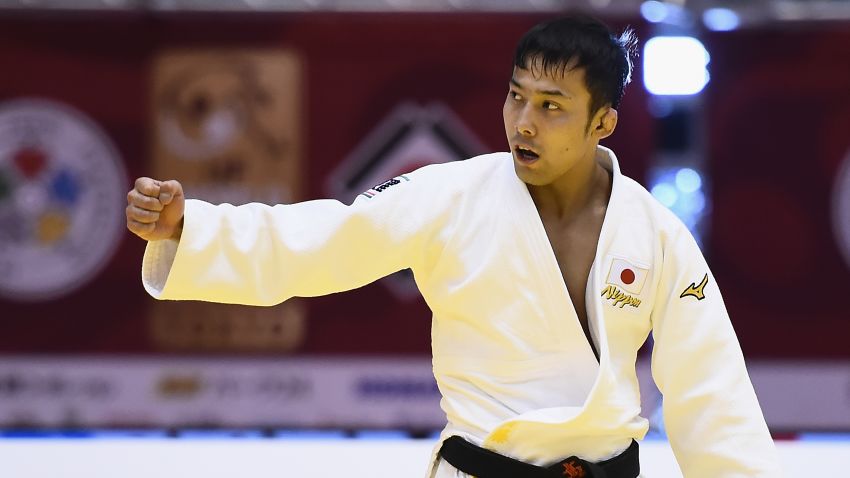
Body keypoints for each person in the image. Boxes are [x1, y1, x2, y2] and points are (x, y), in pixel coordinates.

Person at [127, 14, 780, 478]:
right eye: (516, 96)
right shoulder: (449, 196)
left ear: (603, 121)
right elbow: (322, 240)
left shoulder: (655, 232)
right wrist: (194, 230)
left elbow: (711, 391)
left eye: (552, 106)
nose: (523, 122)